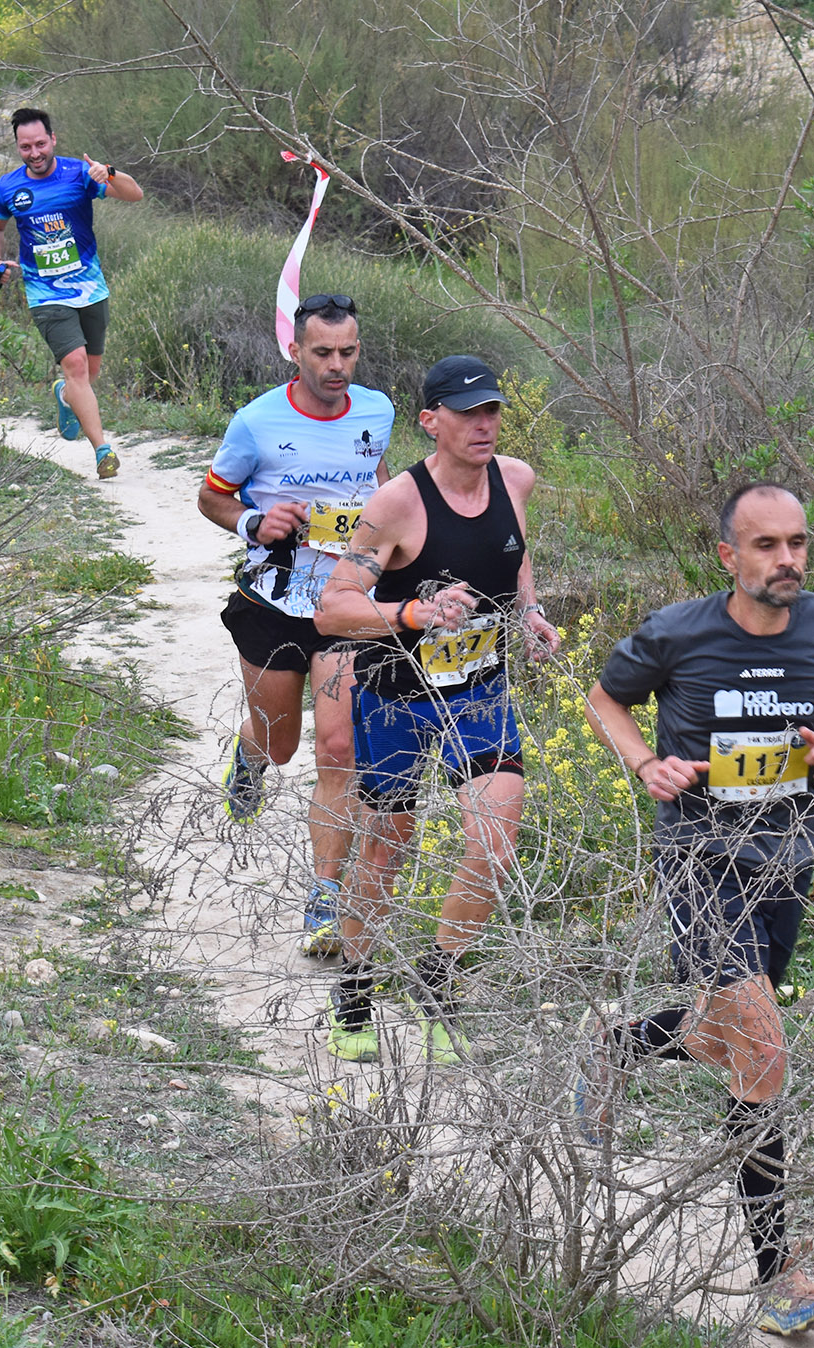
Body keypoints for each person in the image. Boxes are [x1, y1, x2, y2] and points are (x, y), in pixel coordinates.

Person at [578, 481, 814, 1337]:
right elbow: (605, 699)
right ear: (728, 556)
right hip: (699, 857)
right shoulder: (678, 632)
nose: (788, 559)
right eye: (766, 545)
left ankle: (618, 1044)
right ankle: (779, 1276)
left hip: (788, 857)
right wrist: (645, 763)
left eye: (798, 542)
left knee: (732, 1034)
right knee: (762, 1045)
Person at [312, 355, 559, 1063]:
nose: (484, 424)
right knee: (386, 846)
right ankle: (354, 990)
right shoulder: (398, 503)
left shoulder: (516, 479)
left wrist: (529, 611)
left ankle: (438, 985)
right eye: (467, 412)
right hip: (398, 697)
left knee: (495, 840)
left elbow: (513, 553)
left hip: (480, 692)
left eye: (492, 411)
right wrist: (414, 612)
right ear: (431, 420)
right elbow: (333, 609)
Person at [198, 293, 393, 953]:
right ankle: (250, 755)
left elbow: (383, 486)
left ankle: (324, 898)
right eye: (323, 353)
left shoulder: (377, 410)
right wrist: (254, 521)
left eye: (348, 352)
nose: (337, 366)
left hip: (345, 606)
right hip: (272, 603)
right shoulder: (255, 422)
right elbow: (212, 497)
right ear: (296, 351)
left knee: (338, 749)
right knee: (282, 744)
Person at [0, 106, 143, 481]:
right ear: (17, 147)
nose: (34, 153)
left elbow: (134, 195)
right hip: (45, 294)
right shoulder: (9, 187)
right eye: (25, 147)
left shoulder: (79, 173)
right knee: (76, 366)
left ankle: (67, 395)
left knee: (89, 372)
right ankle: (103, 451)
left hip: (90, 288)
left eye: (40, 144)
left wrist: (110, 173)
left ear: (53, 139)